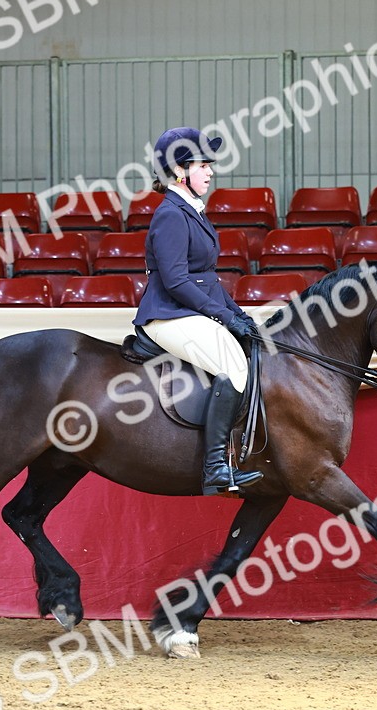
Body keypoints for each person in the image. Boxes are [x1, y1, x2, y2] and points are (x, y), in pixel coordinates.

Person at [132, 126, 264, 496]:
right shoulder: (171, 215)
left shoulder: (192, 211)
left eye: (210, 165)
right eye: (202, 165)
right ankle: (215, 468)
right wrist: (221, 316)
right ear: (179, 171)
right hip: (167, 314)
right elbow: (175, 281)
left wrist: (238, 314)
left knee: (249, 345)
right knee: (233, 367)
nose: (210, 172)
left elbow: (206, 278)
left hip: (188, 310)